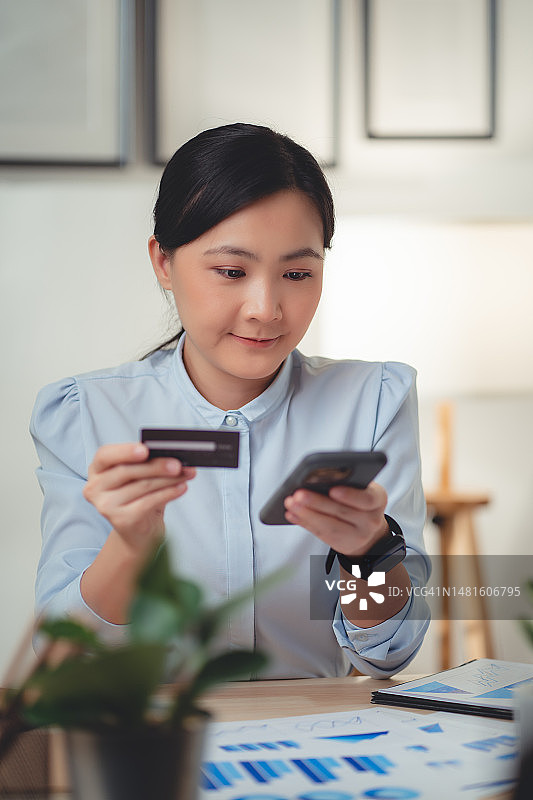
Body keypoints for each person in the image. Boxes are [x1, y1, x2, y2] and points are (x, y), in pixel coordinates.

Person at [30, 123, 430, 679]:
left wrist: (369, 552)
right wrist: (130, 548)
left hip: (313, 727)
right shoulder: (85, 414)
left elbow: (389, 653)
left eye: (297, 273)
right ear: (164, 263)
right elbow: (62, 658)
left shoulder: (374, 402)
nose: (266, 308)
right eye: (232, 271)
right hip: (154, 729)